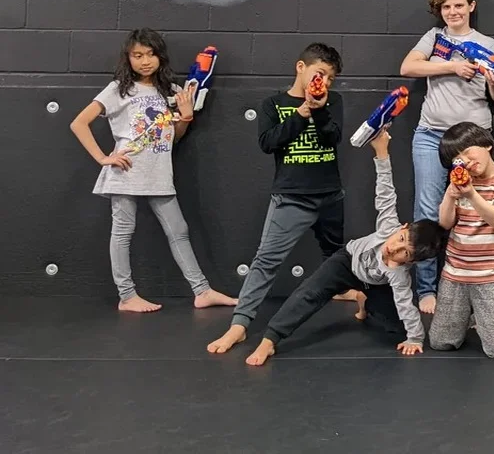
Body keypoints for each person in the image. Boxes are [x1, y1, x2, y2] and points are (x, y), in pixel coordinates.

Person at [244, 130, 449, 365]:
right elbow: (385, 192)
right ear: (402, 227)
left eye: (405, 254)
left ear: (410, 261)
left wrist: (415, 339)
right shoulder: (388, 227)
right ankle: (269, 340)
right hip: (348, 261)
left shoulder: (398, 274)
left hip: (374, 284)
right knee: (310, 293)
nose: (394, 249)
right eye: (400, 239)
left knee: (398, 326)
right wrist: (382, 152)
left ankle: (365, 300)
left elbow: (407, 306)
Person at [69, 28, 237, 313]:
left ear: (160, 56)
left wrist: (185, 118)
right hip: (127, 171)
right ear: (128, 58)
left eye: (150, 54)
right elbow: (78, 123)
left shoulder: (170, 91)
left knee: (179, 230)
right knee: (123, 231)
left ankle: (202, 291)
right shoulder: (118, 89)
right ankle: (127, 296)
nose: (145, 61)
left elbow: (174, 138)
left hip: (159, 172)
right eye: (137, 55)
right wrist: (102, 158)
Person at [207, 42, 345, 354]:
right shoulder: (273, 104)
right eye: (319, 72)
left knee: (337, 255)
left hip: (330, 194)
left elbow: (333, 137)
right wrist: (301, 113)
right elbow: (268, 143)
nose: (324, 81)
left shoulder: (333, 100)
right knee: (266, 261)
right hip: (292, 197)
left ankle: (350, 293)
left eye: (330, 77)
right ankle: (239, 326)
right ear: (301, 67)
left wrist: (319, 109)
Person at [400, 0, 494, 315]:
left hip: (473, 140)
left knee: (477, 212)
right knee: (428, 210)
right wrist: (452, 65)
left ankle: (477, 288)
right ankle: (426, 290)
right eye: (446, 7)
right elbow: (408, 67)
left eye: (459, 5)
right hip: (431, 134)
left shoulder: (486, 43)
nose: (453, 12)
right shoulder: (435, 38)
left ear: (471, 7)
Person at [428, 122, 494, 358]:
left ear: (486, 144)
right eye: (457, 159)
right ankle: (480, 317)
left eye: (467, 151)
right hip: (455, 272)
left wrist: (471, 194)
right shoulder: (461, 185)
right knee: (441, 342)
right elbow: (444, 223)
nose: (465, 161)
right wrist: (450, 195)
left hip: (490, 275)